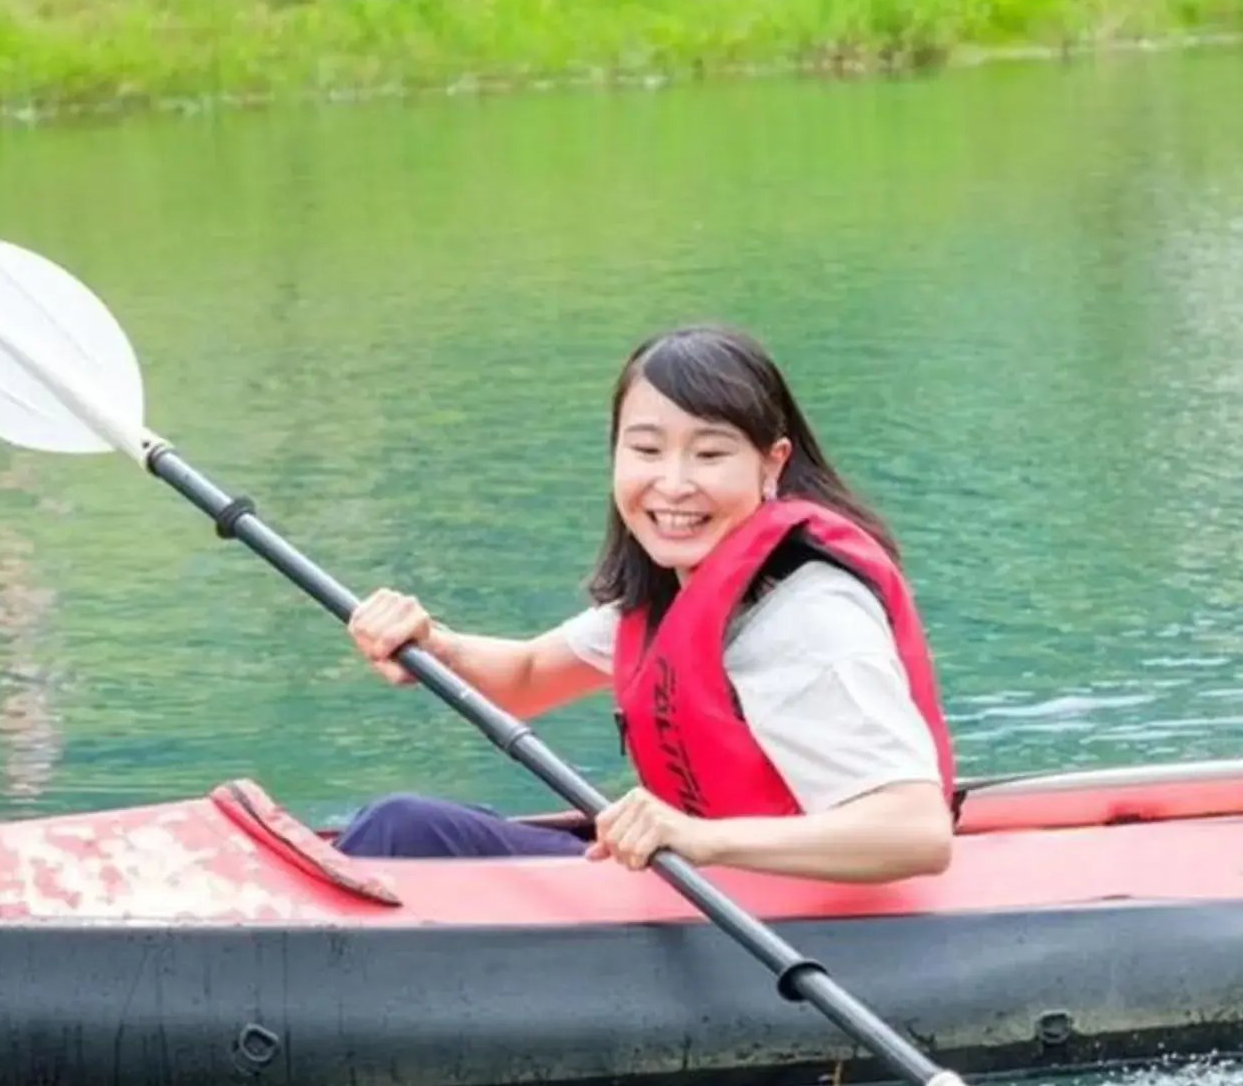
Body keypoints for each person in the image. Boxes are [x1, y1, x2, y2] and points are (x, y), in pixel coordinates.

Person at [332, 326, 957, 883]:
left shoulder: (808, 614)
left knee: (393, 833)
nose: (674, 483)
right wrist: (432, 646)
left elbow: (915, 832)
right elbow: (525, 679)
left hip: (782, 918)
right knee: (406, 830)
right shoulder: (677, 589)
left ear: (773, 465)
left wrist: (698, 838)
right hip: (700, 892)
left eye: (710, 454)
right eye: (646, 450)